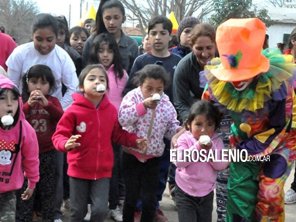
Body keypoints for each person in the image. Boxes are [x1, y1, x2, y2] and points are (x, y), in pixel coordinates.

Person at [204, 18, 296, 221]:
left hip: (280, 142)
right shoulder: (218, 83)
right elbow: (204, 113)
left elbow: (281, 126)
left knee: (269, 192)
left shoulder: (279, 84)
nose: (236, 81)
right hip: (243, 139)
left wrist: (247, 150)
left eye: (244, 73)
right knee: (239, 191)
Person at [6, 13, 78, 222]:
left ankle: (52, 212)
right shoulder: (20, 53)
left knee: (52, 174)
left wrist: (55, 109)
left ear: (58, 37)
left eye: (50, 39)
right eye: (39, 39)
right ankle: (21, 212)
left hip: (52, 125)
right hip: (23, 118)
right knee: (21, 170)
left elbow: (73, 89)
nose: (44, 44)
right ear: (32, 36)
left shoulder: (63, 57)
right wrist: (20, 109)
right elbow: (11, 86)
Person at [52, 64, 147, 222]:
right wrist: (65, 143)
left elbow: (118, 134)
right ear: (82, 87)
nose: (97, 81)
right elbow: (59, 135)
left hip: (103, 171)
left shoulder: (110, 110)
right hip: (78, 169)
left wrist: (135, 141)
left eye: (102, 79)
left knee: (100, 210)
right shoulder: (73, 111)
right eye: (92, 78)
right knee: (78, 211)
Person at [123, 15, 181, 222]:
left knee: (156, 182)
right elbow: (125, 113)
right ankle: (134, 210)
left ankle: (152, 207)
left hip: (157, 146)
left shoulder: (177, 61)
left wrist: (180, 131)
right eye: (153, 33)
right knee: (131, 192)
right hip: (132, 149)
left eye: (163, 33)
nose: (158, 37)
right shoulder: (141, 61)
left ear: (170, 36)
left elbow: (174, 118)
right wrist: (141, 106)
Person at [88, 32, 129, 221]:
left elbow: (125, 102)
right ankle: (90, 205)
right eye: (101, 51)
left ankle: (113, 206)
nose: (105, 55)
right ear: (94, 53)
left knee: (114, 169)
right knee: (90, 168)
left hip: (114, 130)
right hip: (92, 129)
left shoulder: (121, 75)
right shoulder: (89, 75)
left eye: (109, 51)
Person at [16, 64, 63, 221]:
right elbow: (16, 120)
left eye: (43, 83)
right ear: (27, 83)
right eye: (34, 82)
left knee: (48, 191)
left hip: (48, 153)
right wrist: (28, 105)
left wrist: (47, 105)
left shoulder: (53, 101)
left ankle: (48, 217)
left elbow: (62, 119)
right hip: (25, 157)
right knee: (25, 191)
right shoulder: (21, 101)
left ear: (50, 86)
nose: (38, 87)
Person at [174, 100, 228, 222]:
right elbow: (179, 161)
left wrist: (210, 150)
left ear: (215, 126)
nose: (204, 130)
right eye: (198, 124)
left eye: (209, 124)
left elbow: (221, 165)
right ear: (189, 125)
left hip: (206, 193)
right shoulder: (184, 139)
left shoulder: (216, 141)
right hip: (185, 192)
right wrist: (198, 147)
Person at [0, 76, 39, 222]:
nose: (9, 104)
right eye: (2, 98)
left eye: (14, 99)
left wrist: (32, 182)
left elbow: (31, 159)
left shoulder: (25, 130)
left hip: (8, 191)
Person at [83, 0, 138, 73]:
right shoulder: (91, 41)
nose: (111, 22)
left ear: (123, 19)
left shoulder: (131, 44)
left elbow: (133, 76)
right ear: (102, 19)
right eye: (108, 18)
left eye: (116, 17)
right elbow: (84, 70)